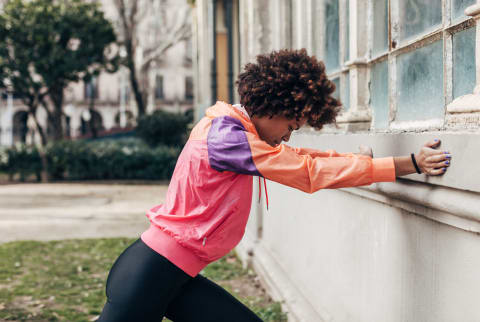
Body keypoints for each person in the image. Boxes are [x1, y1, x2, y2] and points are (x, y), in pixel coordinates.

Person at [97, 49, 451, 321]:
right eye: (291, 124)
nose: (287, 136)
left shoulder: (234, 130)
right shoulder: (227, 140)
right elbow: (306, 171)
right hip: (150, 275)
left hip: (168, 273)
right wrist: (410, 164)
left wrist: (362, 164)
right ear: (274, 107)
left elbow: (299, 156)